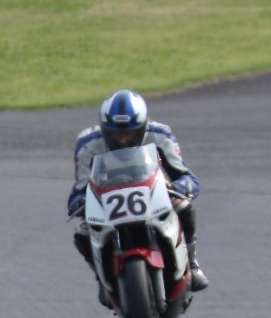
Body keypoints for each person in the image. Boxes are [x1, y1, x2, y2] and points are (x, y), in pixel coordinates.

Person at [67, 89, 209, 301]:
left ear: (142, 127)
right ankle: (103, 278)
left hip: (153, 193)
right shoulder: (87, 143)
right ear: (105, 130)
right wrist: (79, 202)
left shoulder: (160, 135)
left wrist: (179, 187)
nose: (123, 140)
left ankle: (192, 264)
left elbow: (186, 176)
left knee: (183, 207)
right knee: (83, 232)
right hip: (107, 200)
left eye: (130, 133)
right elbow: (79, 189)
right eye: (116, 134)